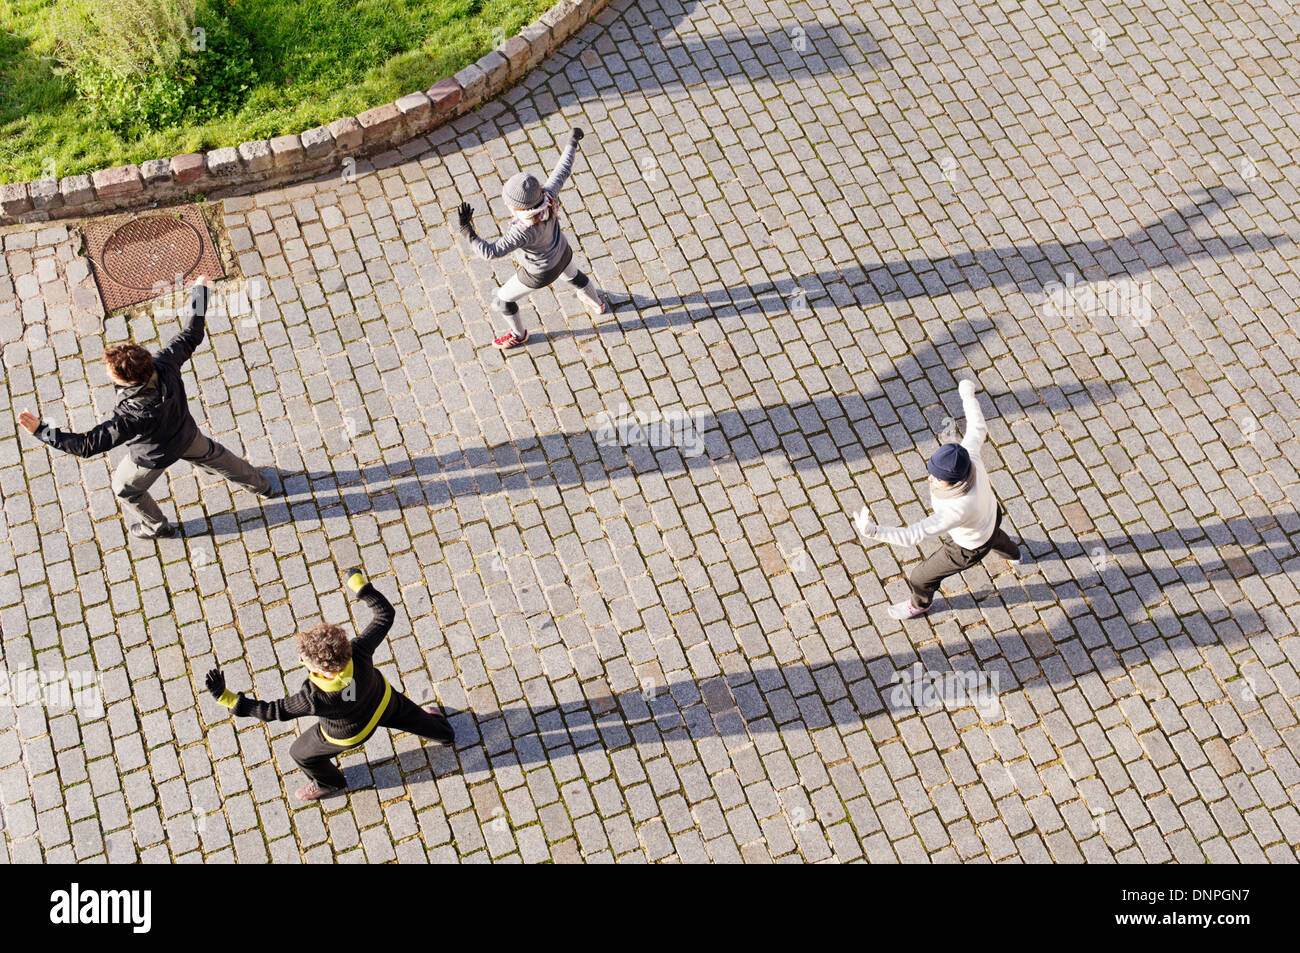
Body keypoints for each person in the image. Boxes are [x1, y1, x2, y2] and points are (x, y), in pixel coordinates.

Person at [16, 282, 280, 540]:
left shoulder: (130, 418)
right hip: (185, 434)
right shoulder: (166, 363)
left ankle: (157, 527)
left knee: (125, 490)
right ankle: (262, 485)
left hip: (152, 456)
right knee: (215, 455)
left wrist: (41, 430)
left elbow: (86, 445)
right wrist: (200, 292)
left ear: (127, 380)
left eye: (111, 372)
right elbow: (191, 334)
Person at [205, 568, 455, 802]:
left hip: (350, 733)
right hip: (382, 700)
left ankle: (328, 783)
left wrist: (226, 698)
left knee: (300, 754)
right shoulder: (359, 650)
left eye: (305, 660)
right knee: (415, 717)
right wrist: (361, 587)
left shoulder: (312, 698)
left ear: (321, 669)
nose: (300, 659)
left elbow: (272, 711)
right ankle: (444, 733)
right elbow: (384, 615)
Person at [856, 378, 1021, 619]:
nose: (931, 479)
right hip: (991, 515)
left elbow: (914, 535)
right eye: (931, 472)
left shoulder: (958, 508)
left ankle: (920, 603)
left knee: (921, 575)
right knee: (995, 535)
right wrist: (967, 395)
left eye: (938, 478)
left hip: (969, 546)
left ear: (955, 481)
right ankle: (1015, 555)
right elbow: (977, 427)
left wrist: (873, 532)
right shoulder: (969, 455)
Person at [455, 126, 609, 349]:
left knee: (502, 300)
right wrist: (572, 142)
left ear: (517, 206)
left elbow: (491, 252)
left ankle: (518, 334)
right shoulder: (548, 196)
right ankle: (598, 304)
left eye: (508, 202)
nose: (506, 204)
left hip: (540, 272)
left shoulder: (522, 230)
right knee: (575, 277)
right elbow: (563, 169)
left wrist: (466, 230)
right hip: (562, 253)